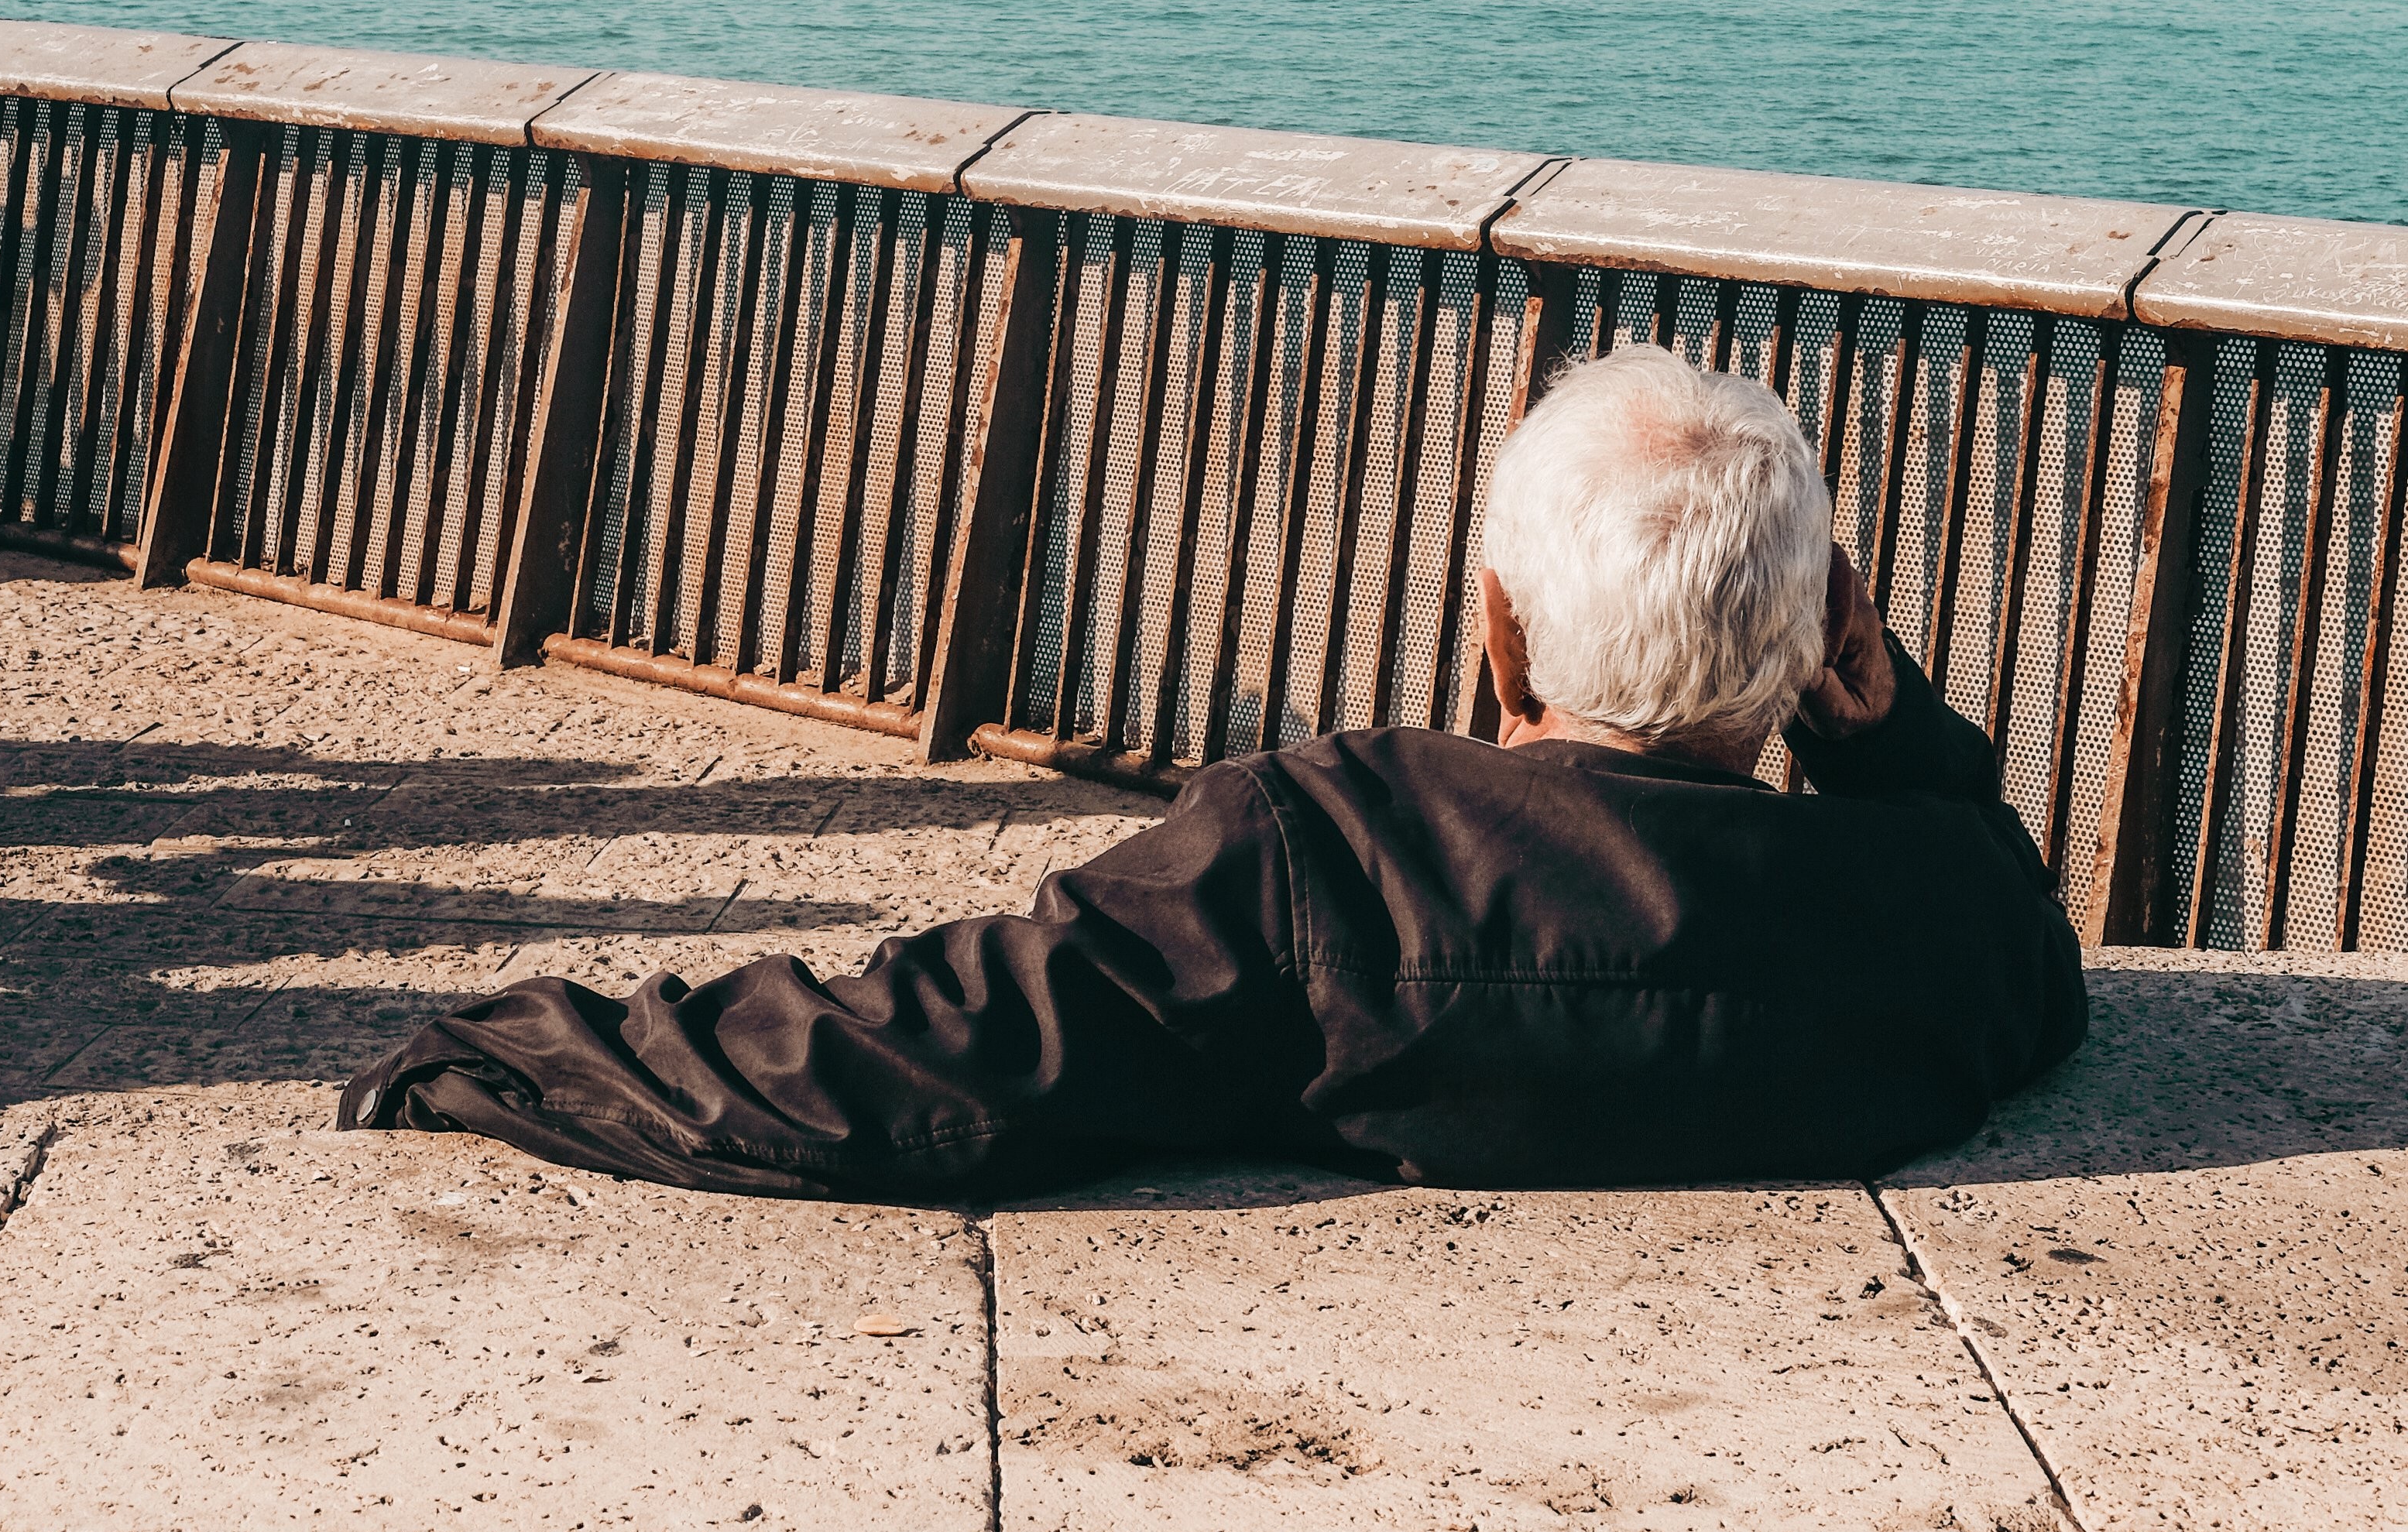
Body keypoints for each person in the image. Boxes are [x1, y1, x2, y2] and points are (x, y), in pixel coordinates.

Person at [339, 344, 2085, 1191]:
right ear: (1832, 636)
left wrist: (488, 1053)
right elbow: (2028, 946)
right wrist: (1895, 749)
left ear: (1499, 629)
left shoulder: (1330, 851)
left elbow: (903, 1071)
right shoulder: (1946, 912)